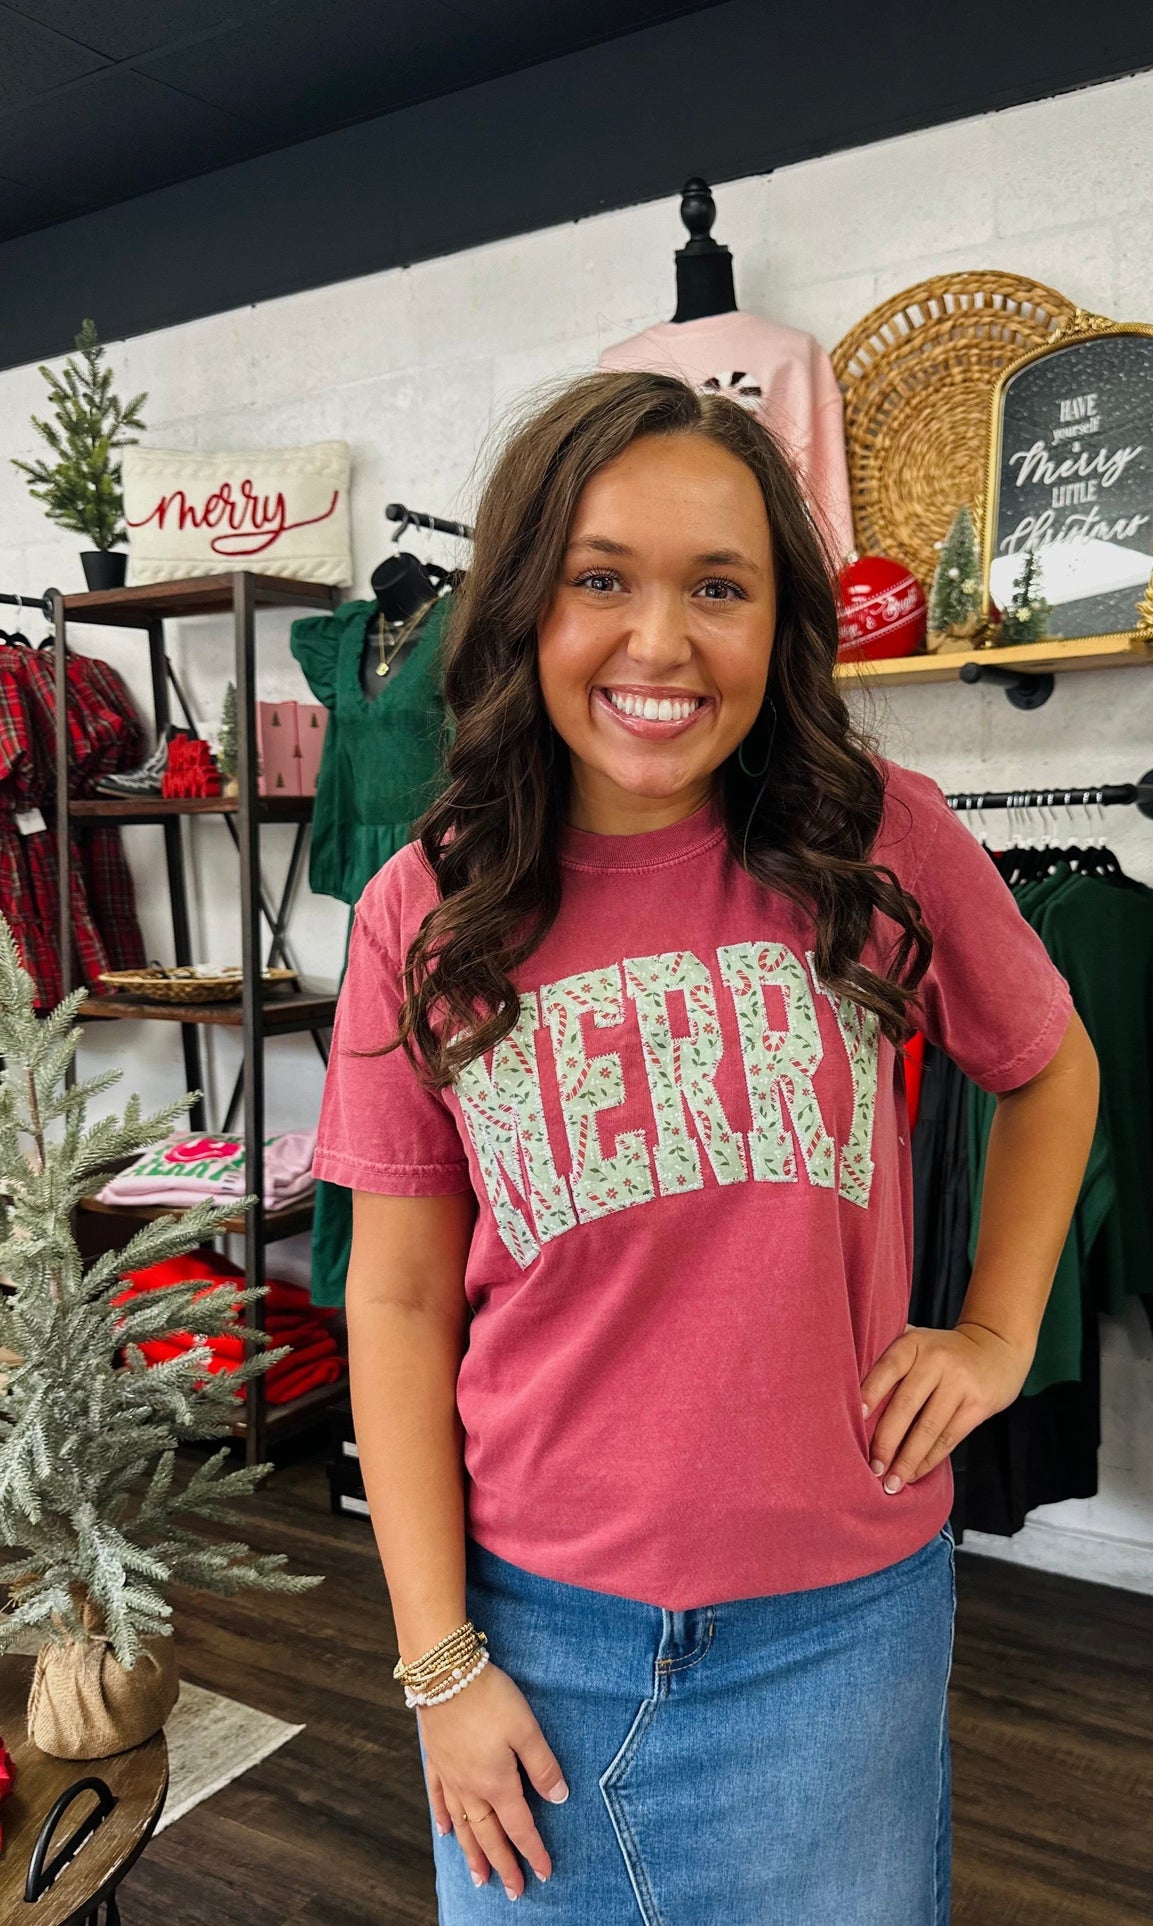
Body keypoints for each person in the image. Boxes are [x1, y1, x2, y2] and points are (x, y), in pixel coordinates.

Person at [313, 369, 1099, 1923]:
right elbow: (396, 1302)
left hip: (838, 1632)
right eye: (601, 578)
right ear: (525, 601)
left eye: (717, 588)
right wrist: (436, 1664)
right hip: (526, 1639)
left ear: (775, 623)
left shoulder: (876, 835)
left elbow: (1051, 1066)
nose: (659, 642)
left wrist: (1001, 1330)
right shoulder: (424, 903)